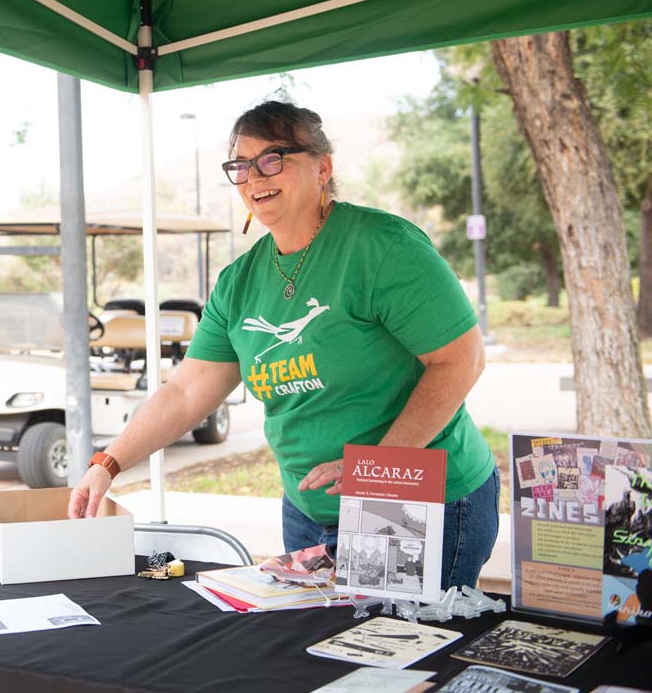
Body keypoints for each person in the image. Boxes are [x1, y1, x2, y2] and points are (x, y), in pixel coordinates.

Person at [69, 101, 499, 590]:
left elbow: (460, 360)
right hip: (308, 512)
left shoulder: (382, 248)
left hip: (417, 501)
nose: (255, 176)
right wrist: (109, 462)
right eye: (241, 166)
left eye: (273, 158)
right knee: (320, 657)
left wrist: (377, 467)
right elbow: (187, 392)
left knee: (402, 654)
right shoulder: (238, 282)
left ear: (323, 166)